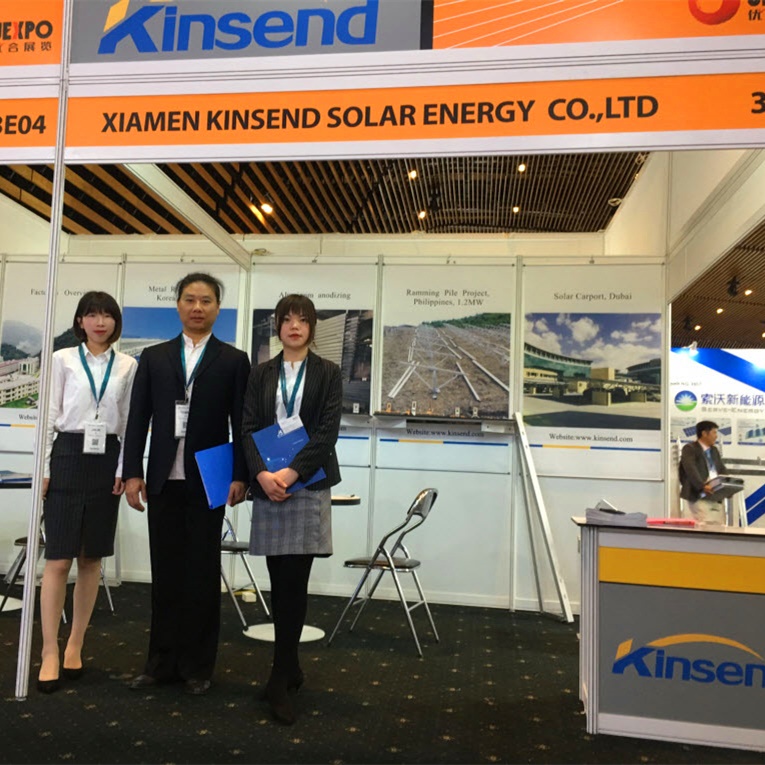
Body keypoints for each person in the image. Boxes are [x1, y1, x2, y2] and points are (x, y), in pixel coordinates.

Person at [123, 272, 250, 696]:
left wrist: (240, 475)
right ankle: (160, 664)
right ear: (178, 304)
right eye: (190, 299)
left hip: (209, 479)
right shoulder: (154, 357)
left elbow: (241, 424)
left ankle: (197, 666)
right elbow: (138, 418)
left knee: (201, 574)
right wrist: (132, 473)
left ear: (218, 308)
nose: (198, 307)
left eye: (206, 300)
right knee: (165, 574)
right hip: (162, 479)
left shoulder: (233, 360)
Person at [242, 294, 342, 725]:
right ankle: (292, 669)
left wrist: (291, 473)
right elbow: (247, 427)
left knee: (294, 583)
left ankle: (279, 677)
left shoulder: (328, 372)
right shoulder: (260, 373)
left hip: (307, 484)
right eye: (287, 319)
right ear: (277, 326)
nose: (295, 326)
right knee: (276, 580)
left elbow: (327, 433)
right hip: (269, 486)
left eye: (303, 320)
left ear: (312, 327)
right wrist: (262, 474)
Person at [37, 292, 137, 694]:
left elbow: (129, 422)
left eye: (107, 315)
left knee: (91, 558)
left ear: (116, 322)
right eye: (92, 315)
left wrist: (124, 468)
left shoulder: (128, 365)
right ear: (80, 321)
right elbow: (48, 415)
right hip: (66, 455)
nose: (100, 322)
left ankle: (75, 643)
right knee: (58, 559)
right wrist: (44, 469)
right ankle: (49, 649)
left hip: (106, 459)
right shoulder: (62, 358)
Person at [679, 420, 728, 525]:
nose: (716, 436)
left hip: (715, 495)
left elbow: (721, 469)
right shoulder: (690, 449)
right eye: (714, 433)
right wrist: (702, 486)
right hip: (699, 495)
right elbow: (690, 469)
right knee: (703, 525)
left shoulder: (714, 450)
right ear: (704, 433)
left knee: (718, 525)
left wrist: (728, 484)